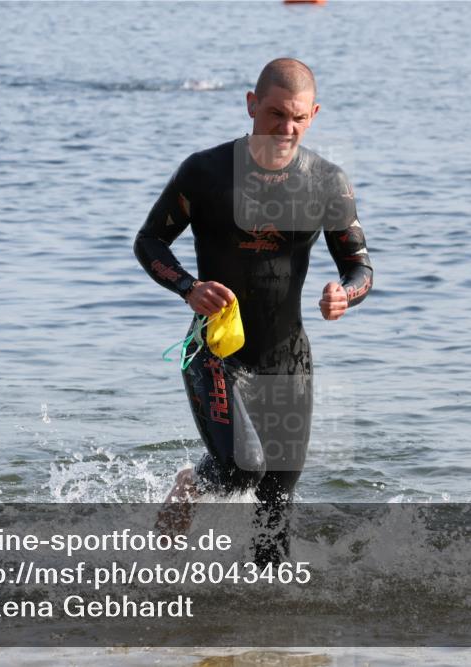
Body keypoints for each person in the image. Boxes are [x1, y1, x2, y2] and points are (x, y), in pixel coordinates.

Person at [134, 58, 372, 564]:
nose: (287, 129)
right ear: (251, 105)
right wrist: (187, 286)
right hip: (215, 352)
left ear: (314, 115)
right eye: (275, 114)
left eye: (299, 118)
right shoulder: (205, 172)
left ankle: (268, 638)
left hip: (288, 359)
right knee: (243, 469)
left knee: (274, 525)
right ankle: (191, 485)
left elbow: (360, 267)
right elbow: (150, 241)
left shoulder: (327, 182)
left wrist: (343, 295)